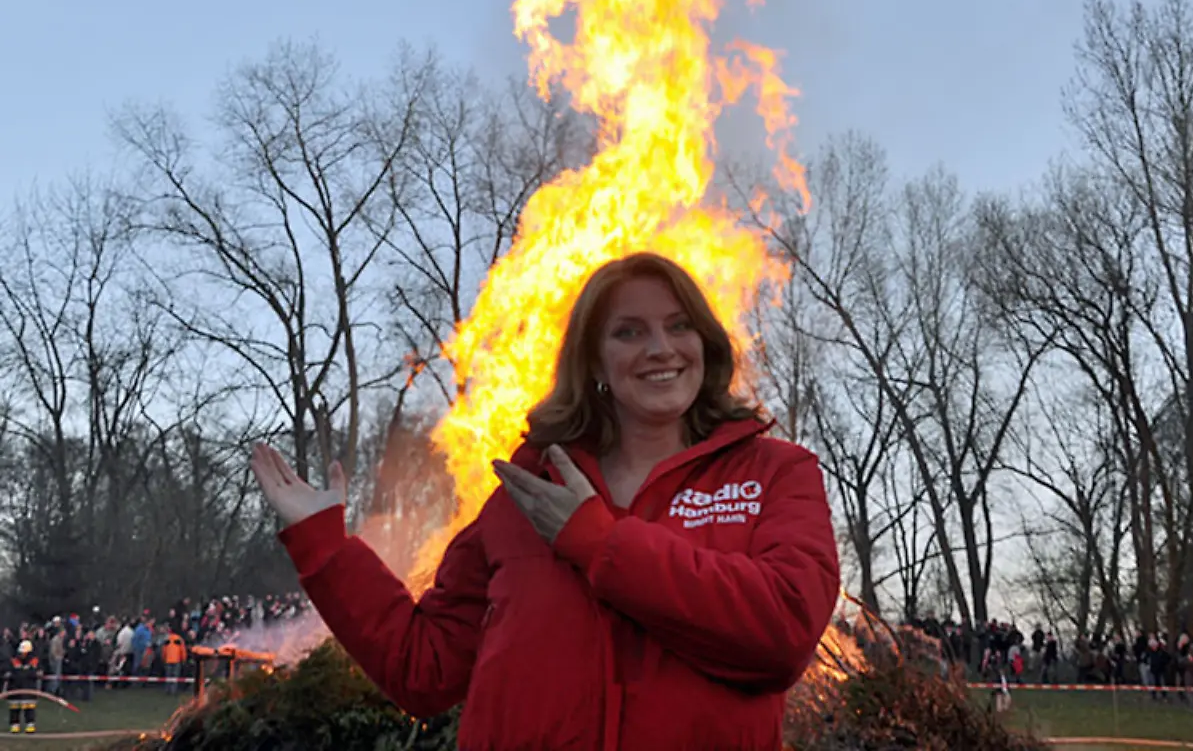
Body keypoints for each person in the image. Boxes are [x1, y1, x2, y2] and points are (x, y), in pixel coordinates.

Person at [252, 252, 841, 750]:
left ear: (706, 344)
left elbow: (781, 634)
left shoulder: (776, 473)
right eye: (628, 331)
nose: (660, 348)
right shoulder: (526, 495)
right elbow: (424, 670)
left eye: (679, 326)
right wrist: (326, 546)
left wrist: (598, 541)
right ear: (595, 364)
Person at [7, 640, 40, 733]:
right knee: (14, 707)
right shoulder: (14, 660)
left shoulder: (34, 661)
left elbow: (34, 673)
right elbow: (10, 671)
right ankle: (14, 725)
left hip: (28, 689)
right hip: (15, 688)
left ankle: (30, 725)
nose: (22, 654)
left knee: (29, 707)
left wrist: (21, 673)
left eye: (24, 652)